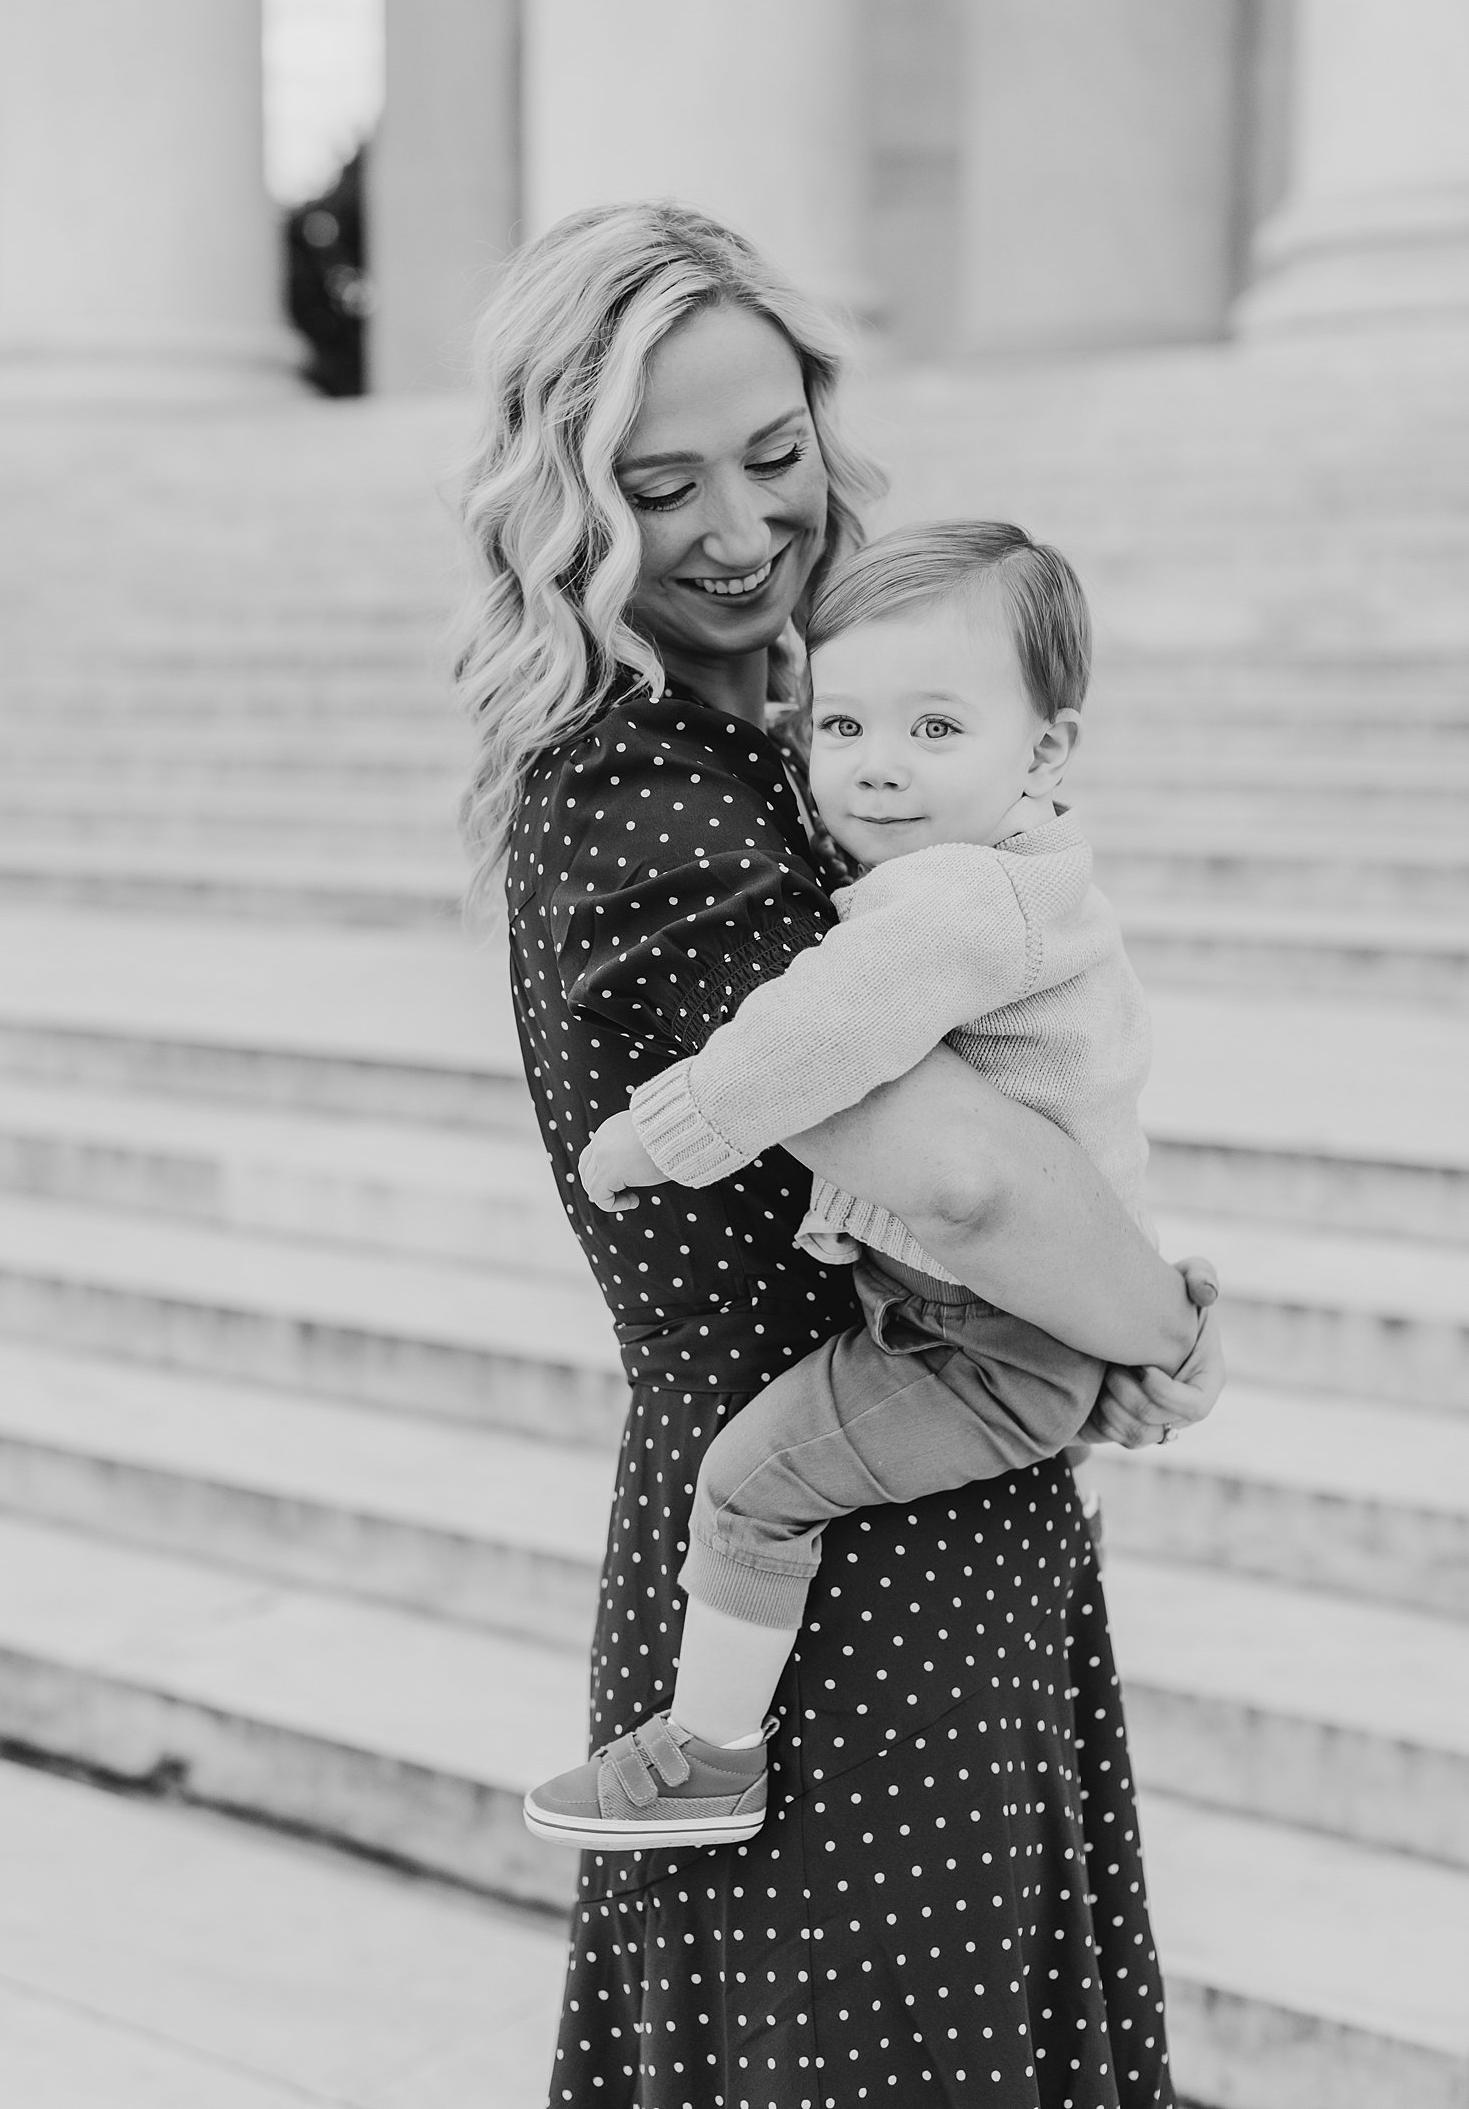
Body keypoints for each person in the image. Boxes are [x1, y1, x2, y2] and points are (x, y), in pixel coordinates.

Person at [455, 199, 1222, 2109]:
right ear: (570, 509)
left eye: (775, 454)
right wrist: (1159, 1331)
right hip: (816, 1570)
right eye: (661, 485)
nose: (738, 528)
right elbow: (955, 1176)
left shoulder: (827, 739)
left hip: (933, 1498)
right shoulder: (634, 792)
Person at [523, 515, 1207, 1853]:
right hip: (1019, 1310)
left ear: (1047, 748)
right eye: (842, 729)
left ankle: (709, 1753)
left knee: (751, 1481)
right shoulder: (993, 868)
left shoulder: (960, 901)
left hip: (988, 1337)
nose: (878, 769)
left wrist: (660, 1136)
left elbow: (820, 1038)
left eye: (936, 732)